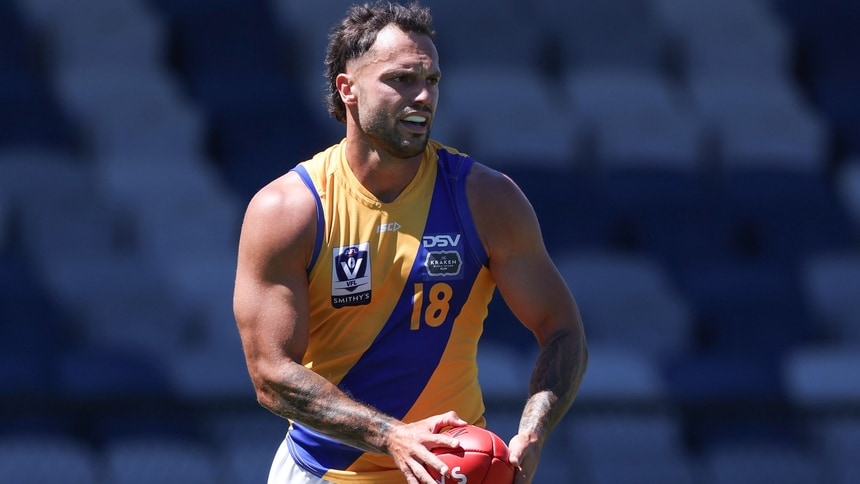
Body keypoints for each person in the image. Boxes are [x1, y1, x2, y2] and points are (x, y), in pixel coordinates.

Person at [233, 2, 588, 483]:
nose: (423, 96)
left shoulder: (487, 198)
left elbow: (562, 329)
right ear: (348, 89)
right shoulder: (289, 210)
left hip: (452, 474)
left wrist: (533, 430)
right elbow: (271, 375)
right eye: (402, 80)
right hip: (323, 474)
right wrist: (391, 435)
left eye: (433, 81)